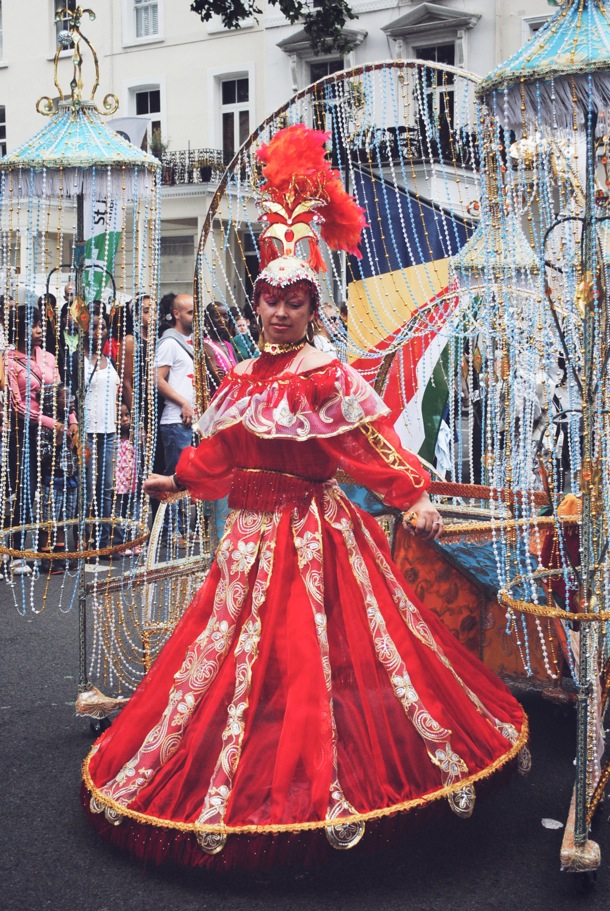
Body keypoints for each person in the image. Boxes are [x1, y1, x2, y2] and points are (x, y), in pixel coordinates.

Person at [83, 125, 528, 873]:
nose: (280, 312)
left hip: (314, 535)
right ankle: (258, 759)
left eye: (293, 302)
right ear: (257, 303)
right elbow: (223, 451)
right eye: (271, 301)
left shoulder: (326, 372)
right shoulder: (242, 377)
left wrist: (413, 495)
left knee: (315, 656)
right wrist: (181, 479)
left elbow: (369, 444)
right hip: (246, 538)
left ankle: (318, 774)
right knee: (240, 662)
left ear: (310, 305)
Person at [6, 305, 77, 574]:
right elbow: (17, 405)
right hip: (25, 434)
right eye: (32, 324)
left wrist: (72, 421)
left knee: (54, 490)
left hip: (56, 436)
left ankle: (52, 552)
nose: (39, 329)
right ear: (19, 328)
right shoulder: (9, 360)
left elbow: (62, 394)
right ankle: (16, 553)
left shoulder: (49, 357)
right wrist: (51, 422)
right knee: (24, 491)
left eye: (40, 324)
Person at [155, 293, 196, 544]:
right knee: (175, 476)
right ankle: (171, 531)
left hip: (193, 421)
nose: (195, 316)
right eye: (190, 312)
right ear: (177, 314)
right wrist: (183, 403)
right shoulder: (169, 342)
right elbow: (157, 379)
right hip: (175, 420)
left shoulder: (194, 341)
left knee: (190, 476)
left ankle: (184, 528)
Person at [82, 303, 120, 553]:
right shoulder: (78, 360)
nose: (98, 331)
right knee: (88, 488)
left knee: (106, 488)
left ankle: (104, 541)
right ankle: (85, 538)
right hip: (87, 432)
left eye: (102, 327)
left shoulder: (111, 360)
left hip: (109, 431)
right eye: (93, 327)